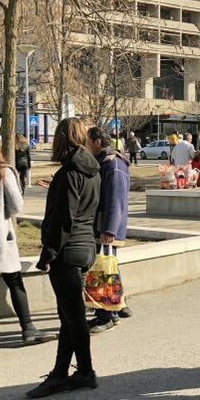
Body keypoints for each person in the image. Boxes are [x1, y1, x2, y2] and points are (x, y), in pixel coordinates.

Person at [26, 117, 101, 399]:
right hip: (84, 248)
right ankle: (61, 373)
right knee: (70, 316)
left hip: (67, 252)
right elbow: (91, 210)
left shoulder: (69, 172)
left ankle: (84, 372)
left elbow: (62, 220)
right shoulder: (93, 169)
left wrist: (48, 254)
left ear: (61, 138)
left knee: (73, 317)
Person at [0, 133, 56, 348]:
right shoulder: (3, 172)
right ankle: (28, 328)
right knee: (14, 281)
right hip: (0, 234)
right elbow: (16, 205)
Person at [85, 126, 132, 333]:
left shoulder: (113, 165)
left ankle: (107, 315)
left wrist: (109, 231)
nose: (85, 146)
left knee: (103, 270)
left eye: (87, 141)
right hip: (102, 225)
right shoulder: (103, 162)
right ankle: (116, 305)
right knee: (107, 268)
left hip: (106, 228)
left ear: (97, 142)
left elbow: (116, 199)